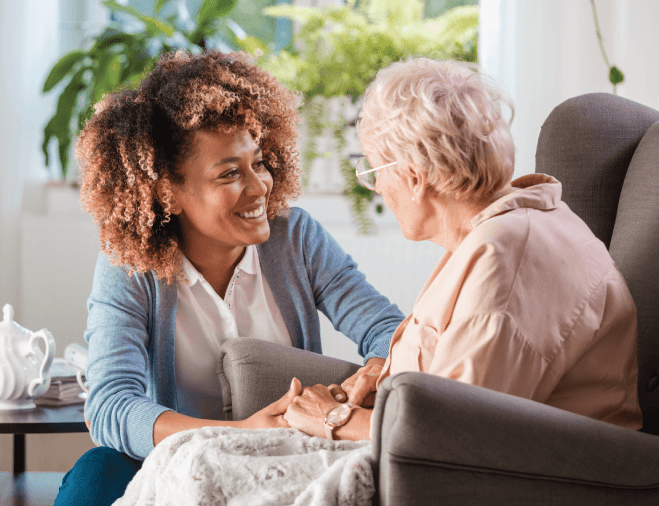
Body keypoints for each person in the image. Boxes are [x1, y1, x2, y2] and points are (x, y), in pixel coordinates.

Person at [54, 49, 404, 506]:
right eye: (229, 174)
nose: (260, 186)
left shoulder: (295, 238)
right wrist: (237, 433)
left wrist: (371, 376)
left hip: (285, 457)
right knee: (96, 474)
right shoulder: (130, 265)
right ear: (168, 192)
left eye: (258, 163)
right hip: (174, 461)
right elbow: (110, 406)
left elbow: (388, 331)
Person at [283, 57, 642, 442]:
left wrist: (334, 418)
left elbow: (452, 435)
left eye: (373, 171)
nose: (379, 189)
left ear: (414, 176)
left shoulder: (504, 259)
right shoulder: (509, 226)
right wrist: (388, 378)